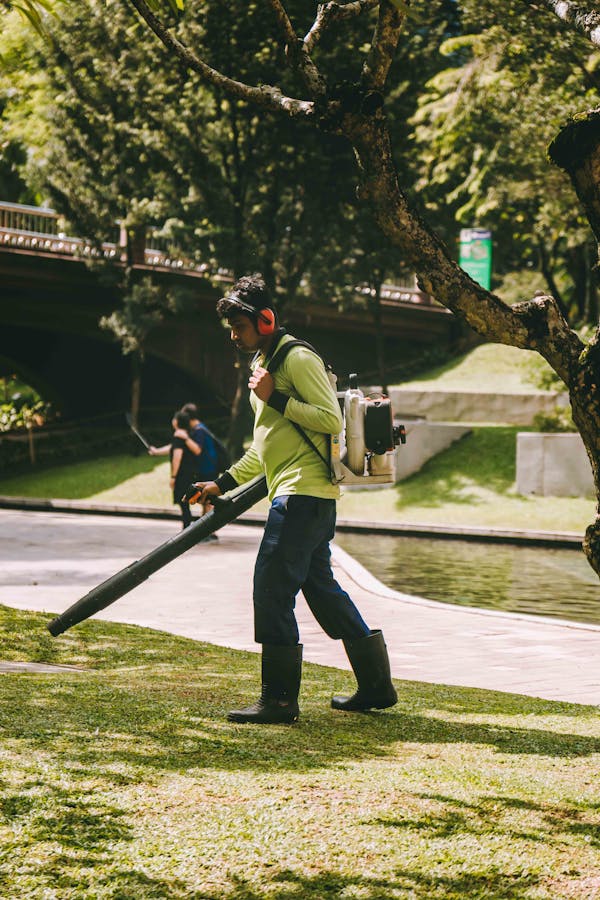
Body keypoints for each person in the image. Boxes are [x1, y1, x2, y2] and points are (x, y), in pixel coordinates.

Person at [189, 273, 397, 724]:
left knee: (271, 588)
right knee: (320, 589)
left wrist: (277, 397)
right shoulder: (262, 367)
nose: (233, 336)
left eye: (239, 327)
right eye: (230, 328)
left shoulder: (298, 359)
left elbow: (329, 420)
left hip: (303, 495)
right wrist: (221, 483)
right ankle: (377, 687)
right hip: (304, 496)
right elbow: (265, 447)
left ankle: (279, 701)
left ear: (265, 320)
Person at [168, 409, 198, 529]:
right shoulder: (187, 435)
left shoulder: (178, 436)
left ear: (176, 422)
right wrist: (156, 451)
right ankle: (187, 528)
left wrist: (173, 477)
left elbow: (177, 457)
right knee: (185, 503)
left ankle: (186, 529)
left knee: (184, 503)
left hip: (182, 475)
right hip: (190, 473)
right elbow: (172, 448)